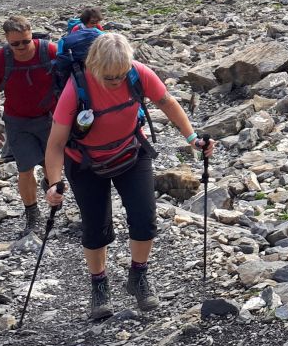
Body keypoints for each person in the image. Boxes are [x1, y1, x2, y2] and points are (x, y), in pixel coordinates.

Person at [44, 32, 211, 320]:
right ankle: (99, 285)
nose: (117, 81)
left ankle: (138, 277)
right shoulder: (76, 88)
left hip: (131, 153)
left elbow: (167, 102)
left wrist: (193, 138)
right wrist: (54, 182)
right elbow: (56, 143)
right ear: (94, 66)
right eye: (109, 77)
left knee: (145, 219)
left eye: (121, 75)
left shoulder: (137, 73)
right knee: (96, 227)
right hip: (84, 163)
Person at [0, 16, 58, 234]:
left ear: (31, 34)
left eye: (25, 41)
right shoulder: (0, 60)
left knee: (49, 165)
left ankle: (50, 186)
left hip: (49, 119)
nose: (21, 47)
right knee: (25, 169)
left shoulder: (50, 52)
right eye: (14, 44)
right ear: (6, 40)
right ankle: (32, 213)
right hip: (17, 122)